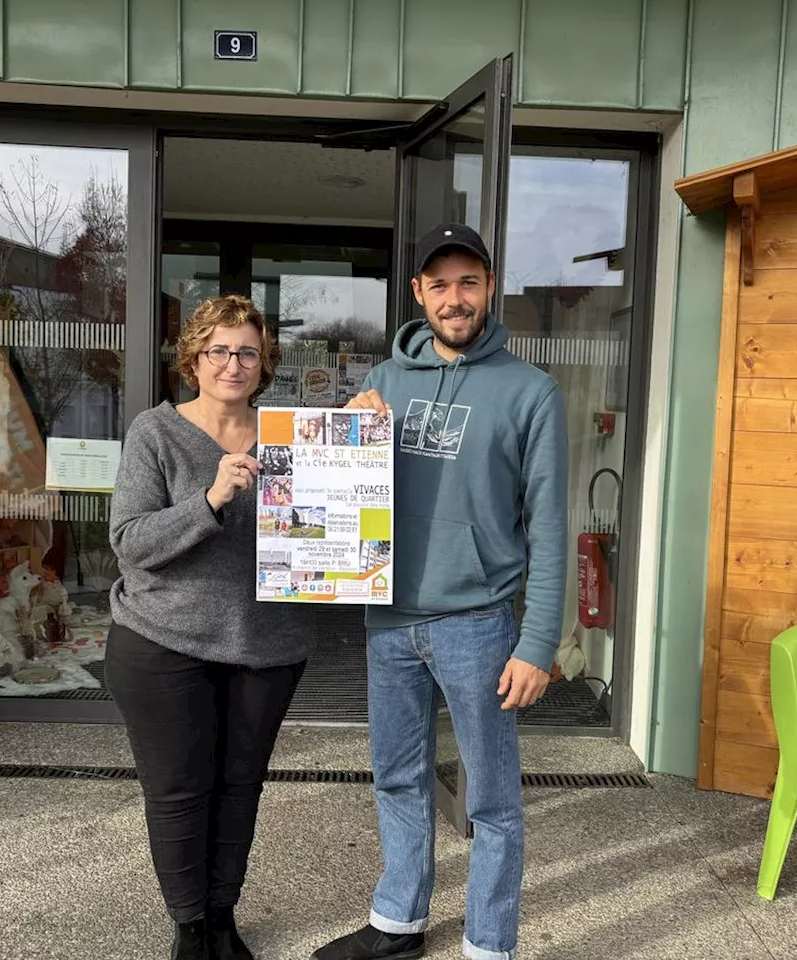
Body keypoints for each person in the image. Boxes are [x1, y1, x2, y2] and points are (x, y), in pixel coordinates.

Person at [313, 224, 568, 960]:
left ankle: (489, 944)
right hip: (389, 619)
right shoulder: (384, 384)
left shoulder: (532, 393)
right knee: (396, 778)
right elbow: (337, 496)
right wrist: (343, 436)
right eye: (438, 284)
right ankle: (399, 922)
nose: (453, 299)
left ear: (489, 287)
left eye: (468, 282)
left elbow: (549, 527)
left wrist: (538, 641)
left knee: (491, 800)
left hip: (478, 624)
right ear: (418, 293)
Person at [106, 294, 314, 960]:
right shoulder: (156, 433)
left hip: (267, 645)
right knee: (179, 791)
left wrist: (363, 423)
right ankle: (190, 928)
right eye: (218, 349)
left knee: (240, 788)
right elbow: (131, 542)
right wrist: (211, 499)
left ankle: (224, 916)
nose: (233, 363)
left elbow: (332, 518)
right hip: (163, 641)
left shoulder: (292, 434)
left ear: (264, 363)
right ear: (193, 357)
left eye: (247, 351)